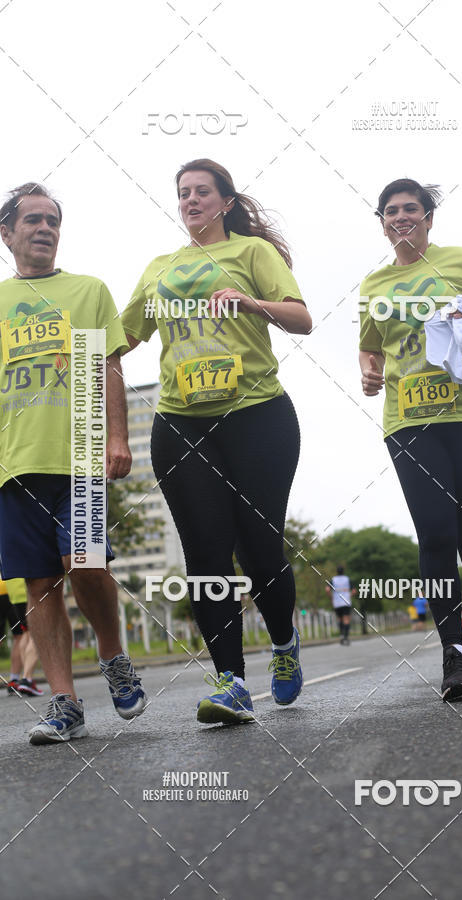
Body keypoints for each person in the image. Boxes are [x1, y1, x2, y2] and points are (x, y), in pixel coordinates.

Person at [121, 159, 312, 725]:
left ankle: (283, 644)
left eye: (202, 191)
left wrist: (253, 303)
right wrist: (73, 351)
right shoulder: (159, 269)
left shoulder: (252, 253)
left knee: (258, 547)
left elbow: (301, 319)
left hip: (257, 415)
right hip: (181, 422)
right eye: (183, 193)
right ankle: (231, 682)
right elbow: (124, 334)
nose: (190, 200)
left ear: (226, 201)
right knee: (205, 555)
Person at [359, 178, 462, 701]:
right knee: (434, 534)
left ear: (428, 218)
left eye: (411, 208)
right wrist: (368, 370)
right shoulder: (374, 285)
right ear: (383, 224)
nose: (401, 217)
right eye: (391, 211)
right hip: (408, 421)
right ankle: (453, 654)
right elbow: (370, 347)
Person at [0, 183, 147, 743]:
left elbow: (107, 368)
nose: (45, 228)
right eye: (33, 219)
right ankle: (65, 704)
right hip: (13, 463)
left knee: (85, 562)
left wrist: (118, 436)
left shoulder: (86, 291)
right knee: (39, 583)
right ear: (6, 233)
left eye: (53, 220)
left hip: (79, 453)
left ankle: (113, 654)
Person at [1, 577, 44, 696]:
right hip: (23, 590)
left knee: (24, 633)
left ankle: (22, 679)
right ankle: (25, 679)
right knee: (35, 634)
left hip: (14, 592)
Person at [326, 566, 354, 644]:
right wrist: (349, 595)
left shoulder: (333, 579)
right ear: (343, 571)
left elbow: (327, 589)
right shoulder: (347, 579)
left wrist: (331, 597)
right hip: (346, 602)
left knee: (340, 619)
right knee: (346, 619)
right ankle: (346, 636)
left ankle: (341, 634)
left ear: (337, 571)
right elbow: (354, 590)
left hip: (337, 603)